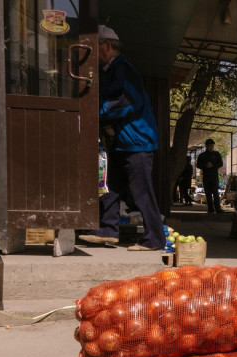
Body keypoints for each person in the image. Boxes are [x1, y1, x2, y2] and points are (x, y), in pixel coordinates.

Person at [78, 25, 165, 251]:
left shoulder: (122, 68)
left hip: (137, 142)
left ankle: (154, 239)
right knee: (110, 186)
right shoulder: (113, 69)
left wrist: (96, 114)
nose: (94, 55)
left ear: (106, 46)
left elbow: (126, 102)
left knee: (141, 191)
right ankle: (107, 230)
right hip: (123, 143)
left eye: (96, 48)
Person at [196, 138, 224, 213]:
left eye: (212, 146)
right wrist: (205, 166)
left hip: (214, 176)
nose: (211, 147)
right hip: (206, 176)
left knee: (215, 193)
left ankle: (218, 209)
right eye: (209, 146)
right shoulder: (202, 155)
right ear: (206, 146)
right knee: (208, 193)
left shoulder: (216, 154)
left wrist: (213, 165)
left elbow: (220, 164)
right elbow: (198, 165)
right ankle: (210, 209)